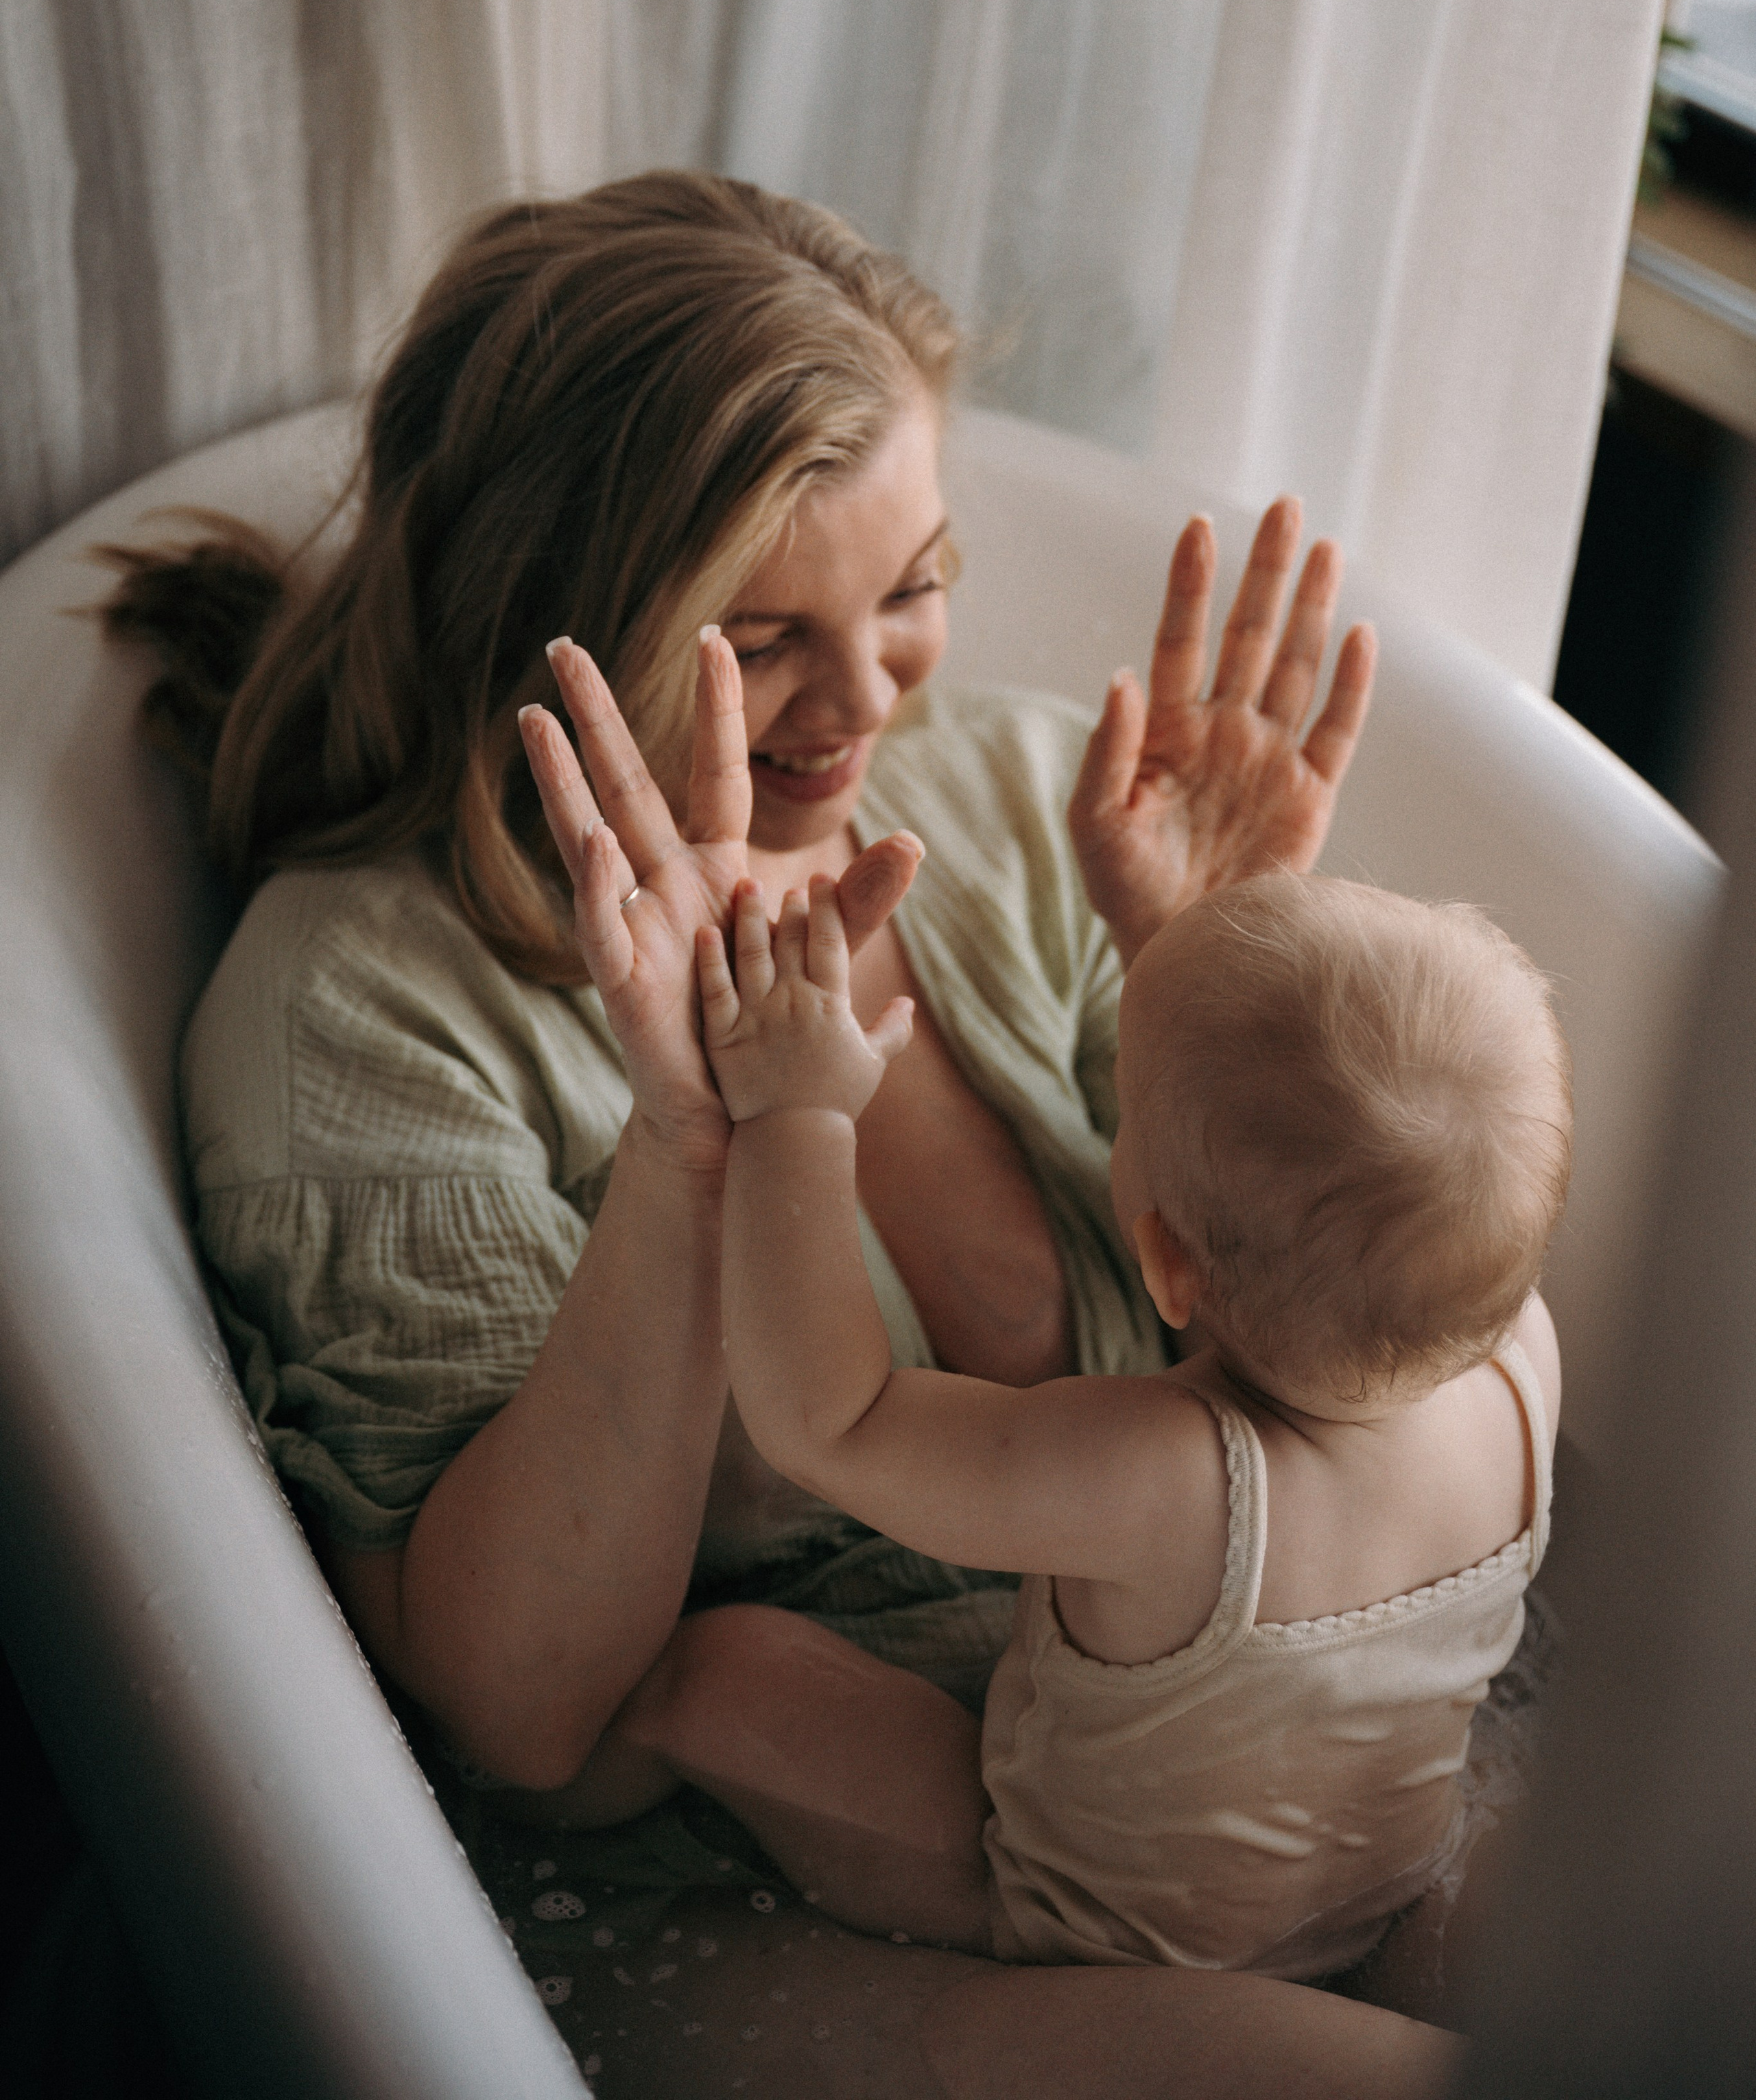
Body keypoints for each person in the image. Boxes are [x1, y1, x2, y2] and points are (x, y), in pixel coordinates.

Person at [108, 170, 1454, 2095]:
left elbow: (1249, 1379)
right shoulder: (361, 1012)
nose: (865, 703)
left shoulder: (1003, 807)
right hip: (743, 1894)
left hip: (1189, 1744)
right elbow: (522, 1713)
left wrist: (1198, 967)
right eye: (759, 641)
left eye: (911, 591)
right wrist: (685, 1142)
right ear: (540, 628)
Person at [556, 866, 1565, 1991]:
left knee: (721, 1675)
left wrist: (797, 1112)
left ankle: (537, 1824)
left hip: (1099, 1934)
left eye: (1125, 1114)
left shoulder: (1174, 1479)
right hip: (1379, 1889)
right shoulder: (1527, 1358)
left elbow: (832, 1422)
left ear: (1168, 1266)